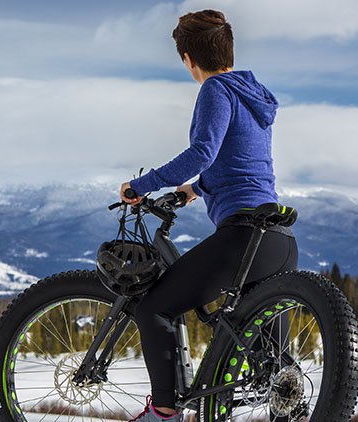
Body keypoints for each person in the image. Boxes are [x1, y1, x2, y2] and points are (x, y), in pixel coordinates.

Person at [119, 9, 299, 422]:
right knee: (275, 371)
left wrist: (142, 186)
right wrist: (195, 189)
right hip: (279, 241)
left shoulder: (215, 89)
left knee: (154, 309)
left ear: (188, 59)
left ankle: (163, 411)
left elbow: (203, 152)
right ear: (228, 49)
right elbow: (242, 163)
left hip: (242, 239)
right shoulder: (252, 94)